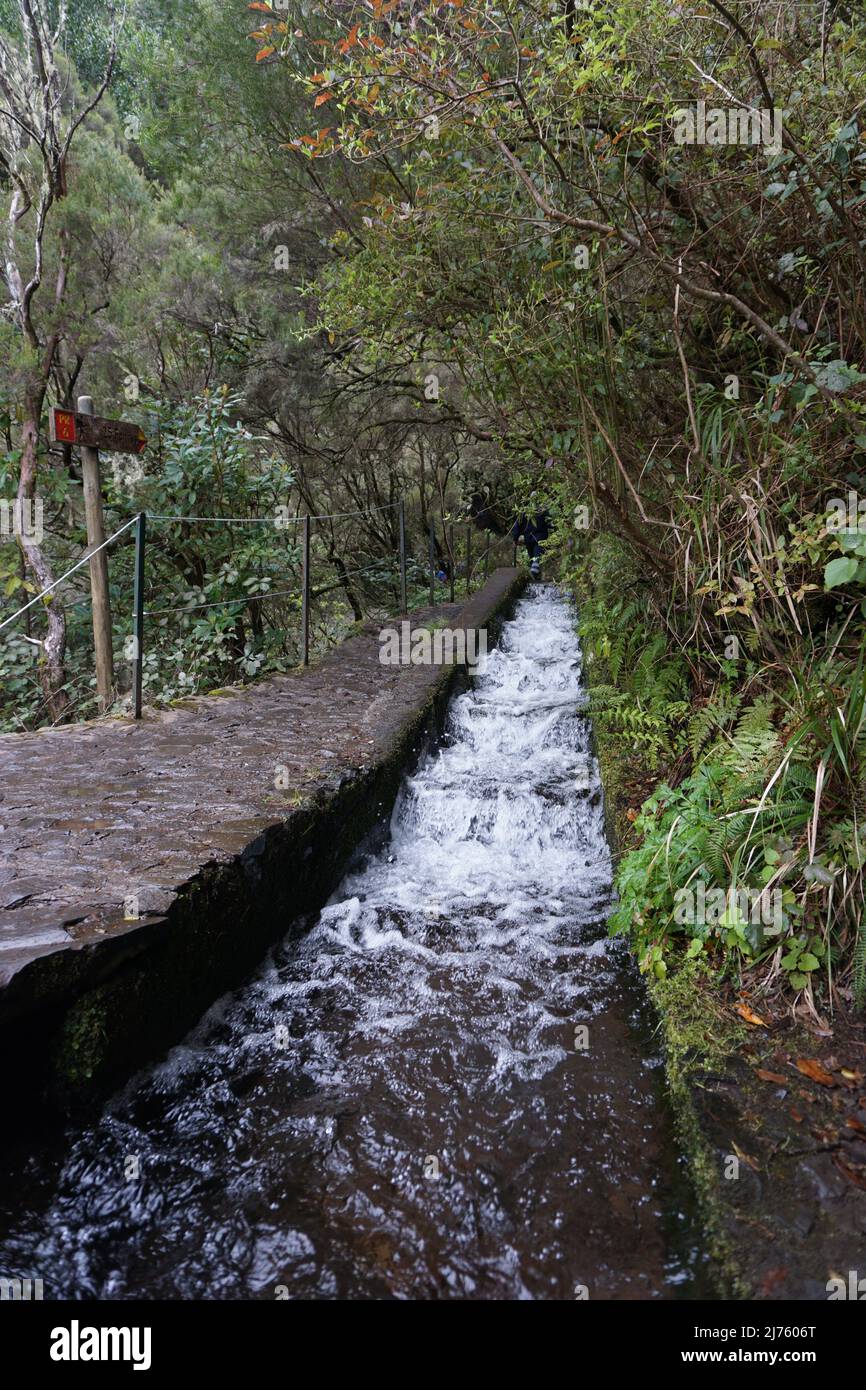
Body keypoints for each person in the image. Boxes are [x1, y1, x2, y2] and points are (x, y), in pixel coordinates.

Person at [511, 508, 550, 578]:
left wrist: (515, 539)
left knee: (534, 557)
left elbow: (517, 526)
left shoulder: (524, 511)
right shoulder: (542, 511)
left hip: (530, 538)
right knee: (536, 557)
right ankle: (535, 574)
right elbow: (549, 523)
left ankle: (535, 573)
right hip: (539, 539)